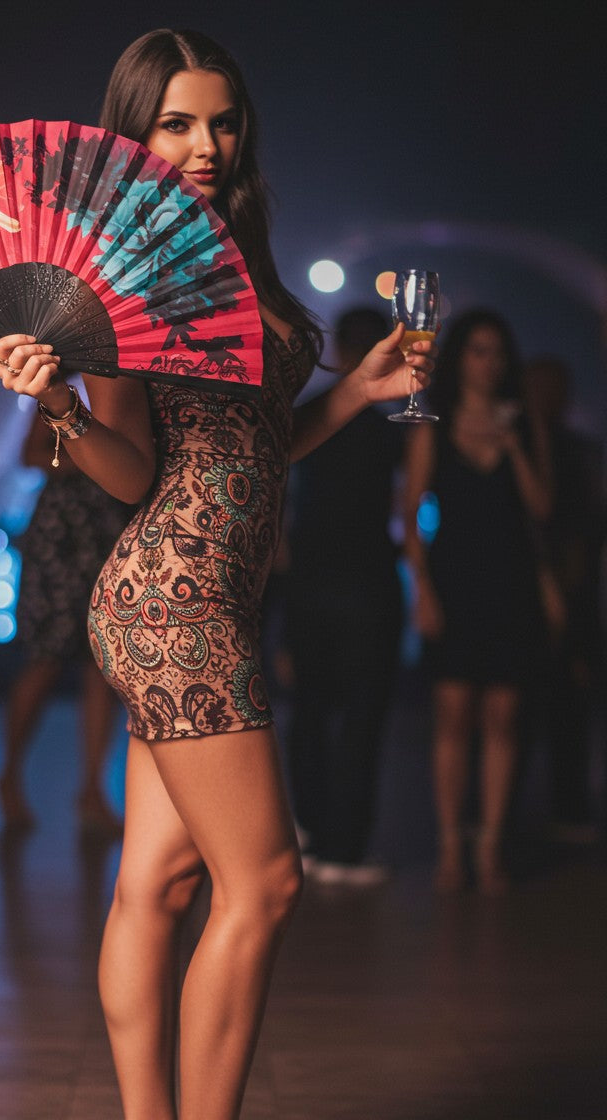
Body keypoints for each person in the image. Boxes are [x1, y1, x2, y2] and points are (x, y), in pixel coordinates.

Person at [0, 29, 435, 1120]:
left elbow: (248, 447)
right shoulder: (120, 269)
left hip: (216, 590)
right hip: (170, 596)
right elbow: (136, 468)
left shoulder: (232, 246)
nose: (204, 144)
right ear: (134, 129)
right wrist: (56, 410)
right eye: (177, 122)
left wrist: (352, 394)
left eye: (221, 120)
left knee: (163, 880)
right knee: (267, 881)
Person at [402, 309, 551, 897]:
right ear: (459, 356)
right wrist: (423, 593)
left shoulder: (523, 422)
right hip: (454, 583)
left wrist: (513, 445)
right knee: (454, 715)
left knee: (504, 718)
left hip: (510, 585)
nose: (489, 363)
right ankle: (449, 846)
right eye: (478, 350)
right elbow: (411, 518)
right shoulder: (431, 427)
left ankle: (490, 844)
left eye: (497, 352)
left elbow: (542, 510)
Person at [282, 307, 405, 885]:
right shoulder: (389, 425)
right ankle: (345, 846)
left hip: (312, 577)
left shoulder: (314, 415)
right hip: (366, 578)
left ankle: (310, 831)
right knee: (360, 715)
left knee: (310, 711)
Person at [0, 390, 131, 834]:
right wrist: (91, 457)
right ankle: (10, 773)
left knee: (102, 668)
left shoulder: (130, 393)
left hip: (108, 529)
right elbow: (31, 455)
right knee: (45, 659)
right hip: (61, 537)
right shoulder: (60, 392)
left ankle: (93, 789)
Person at [523, 355, 604, 842]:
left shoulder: (577, 451)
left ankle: (570, 807)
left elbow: (590, 526)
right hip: (521, 589)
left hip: (574, 594)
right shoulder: (525, 445)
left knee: (571, 703)